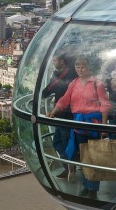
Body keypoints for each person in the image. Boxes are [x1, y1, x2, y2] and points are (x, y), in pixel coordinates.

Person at [47, 55, 112, 199]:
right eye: (77, 67)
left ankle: (92, 190)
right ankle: (86, 186)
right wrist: (54, 111)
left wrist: (103, 126)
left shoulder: (97, 84)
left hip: (92, 125)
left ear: (89, 68)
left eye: (83, 67)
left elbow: (104, 105)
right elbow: (65, 100)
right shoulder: (74, 84)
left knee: (92, 158)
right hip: (78, 125)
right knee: (83, 158)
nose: (80, 70)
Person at [42, 51, 77, 179]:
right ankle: (69, 167)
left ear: (62, 62)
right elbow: (49, 89)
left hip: (67, 114)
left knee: (65, 142)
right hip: (59, 114)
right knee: (58, 142)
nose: (53, 63)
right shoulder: (57, 75)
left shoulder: (71, 76)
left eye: (55, 61)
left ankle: (70, 167)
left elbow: (58, 91)